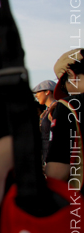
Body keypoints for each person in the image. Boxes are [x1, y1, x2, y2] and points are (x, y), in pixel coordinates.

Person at [46, 49, 84, 183]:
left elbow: (56, 173)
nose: (66, 91)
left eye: (63, 85)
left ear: (71, 74)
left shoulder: (69, 106)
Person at [31, 79, 57, 163]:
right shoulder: (46, 111)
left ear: (47, 92)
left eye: (38, 92)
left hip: (53, 157)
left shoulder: (56, 109)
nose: (36, 96)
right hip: (47, 156)